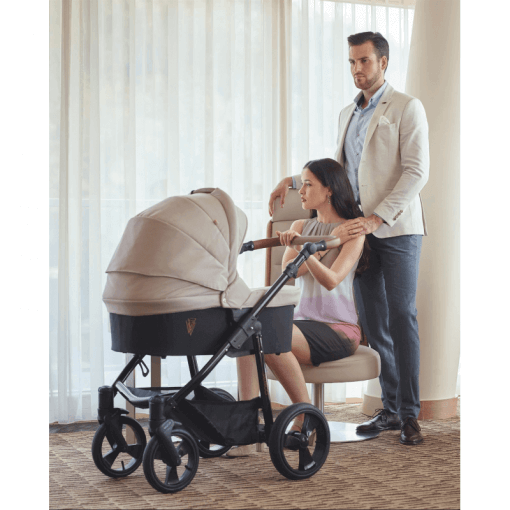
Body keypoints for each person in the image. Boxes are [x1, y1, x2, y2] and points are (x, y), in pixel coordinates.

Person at [268, 32, 429, 446]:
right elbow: (337, 171)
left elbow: (416, 171)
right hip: (357, 229)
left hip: (396, 228)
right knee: (373, 322)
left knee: (402, 316)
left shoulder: (406, 107)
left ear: (383, 62)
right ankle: (389, 409)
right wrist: (293, 181)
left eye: (364, 61)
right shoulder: (347, 114)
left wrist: (377, 218)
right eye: (352, 62)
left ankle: (409, 414)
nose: (357, 69)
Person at [228, 158, 366, 457]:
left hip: (339, 329)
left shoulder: (353, 232)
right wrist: (311, 245)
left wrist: (309, 248)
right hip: (304, 322)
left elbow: (331, 280)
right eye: (301, 184)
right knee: (246, 333)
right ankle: (246, 432)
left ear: (329, 190)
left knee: (269, 336)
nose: (300, 191)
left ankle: (305, 417)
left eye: (307, 184)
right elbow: (291, 270)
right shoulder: (300, 226)